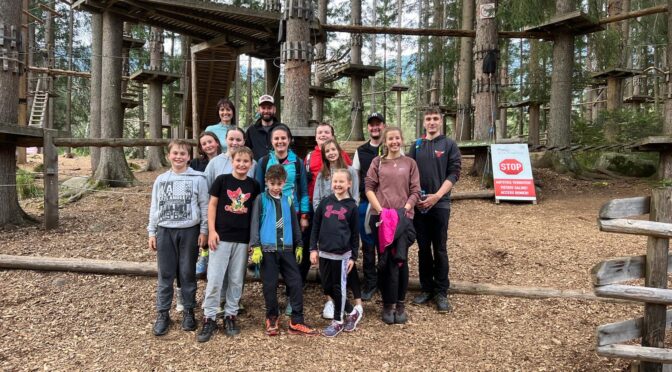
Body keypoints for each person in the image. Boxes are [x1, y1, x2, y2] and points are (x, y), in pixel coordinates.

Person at [197, 147, 260, 342]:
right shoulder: (222, 180)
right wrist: (211, 231)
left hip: (242, 240)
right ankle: (209, 317)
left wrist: (252, 239)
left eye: (246, 161)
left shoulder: (254, 185)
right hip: (221, 237)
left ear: (251, 164)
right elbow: (212, 205)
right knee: (215, 278)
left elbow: (254, 214)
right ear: (232, 161)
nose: (241, 164)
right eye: (238, 160)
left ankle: (230, 315)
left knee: (235, 279)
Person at [148, 139, 209, 336]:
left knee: (187, 272)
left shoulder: (198, 179)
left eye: (183, 153)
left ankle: (189, 310)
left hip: (189, 231)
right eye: (175, 153)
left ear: (189, 157)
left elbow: (204, 206)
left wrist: (204, 230)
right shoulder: (161, 180)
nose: (179, 156)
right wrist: (152, 231)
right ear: (169, 156)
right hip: (165, 231)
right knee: (165, 274)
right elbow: (154, 207)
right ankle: (163, 313)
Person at [249, 165, 318, 336]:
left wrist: (299, 244)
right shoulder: (260, 199)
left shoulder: (287, 199)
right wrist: (255, 246)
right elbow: (255, 223)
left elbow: (294, 223)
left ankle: (297, 321)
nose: (275, 187)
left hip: (287, 248)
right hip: (267, 249)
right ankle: (272, 317)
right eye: (272, 183)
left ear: (284, 183)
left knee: (295, 282)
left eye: (279, 184)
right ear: (266, 182)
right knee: (270, 285)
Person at [365, 127, 420, 325]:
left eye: (397, 138)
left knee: (401, 259)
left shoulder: (410, 163)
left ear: (402, 140)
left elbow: (415, 190)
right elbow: (369, 188)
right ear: (385, 142)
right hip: (382, 217)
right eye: (390, 139)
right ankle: (387, 304)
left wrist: (405, 209)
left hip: (403, 217)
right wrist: (381, 211)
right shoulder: (377, 162)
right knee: (385, 260)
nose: (394, 141)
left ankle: (400, 303)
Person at [409, 108, 461, 313]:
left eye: (435, 119)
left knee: (439, 248)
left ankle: (441, 292)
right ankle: (426, 288)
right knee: (423, 248)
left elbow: (454, 172)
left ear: (440, 122)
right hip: (420, 205)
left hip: (440, 204)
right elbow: (409, 171)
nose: (431, 122)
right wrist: (415, 199)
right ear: (424, 122)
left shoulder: (449, 144)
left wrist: (437, 196)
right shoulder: (417, 145)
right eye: (428, 119)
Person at [312, 139, 363, 321]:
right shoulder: (322, 174)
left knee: (344, 275)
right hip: (327, 226)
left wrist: (346, 211)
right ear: (324, 154)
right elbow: (317, 200)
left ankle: (349, 311)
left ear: (339, 150)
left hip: (344, 227)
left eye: (334, 149)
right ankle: (343, 308)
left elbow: (355, 196)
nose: (331, 153)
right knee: (328, 280)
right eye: (328, 151)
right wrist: (326, 215)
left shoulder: (350, 172)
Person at [352, 112, 386, 301]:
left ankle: (383, 281)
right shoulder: (361, 150)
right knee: (368, 244)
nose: (375, 128)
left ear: (383, 126)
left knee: (384, 243)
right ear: (368, 128)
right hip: (365, 203)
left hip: (387, 204)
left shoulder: (391, 147)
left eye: (378, 124)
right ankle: (370, 282)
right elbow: (356, 175)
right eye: (371, 125)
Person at [245, 94, 285, 161]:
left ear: (274, 109)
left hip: (278, 168)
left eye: (269, 108)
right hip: (257, 169)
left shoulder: (282, 129)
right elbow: (246, 151)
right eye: (263, 108)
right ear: (259, 110)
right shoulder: (251, 130)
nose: (266, 111)